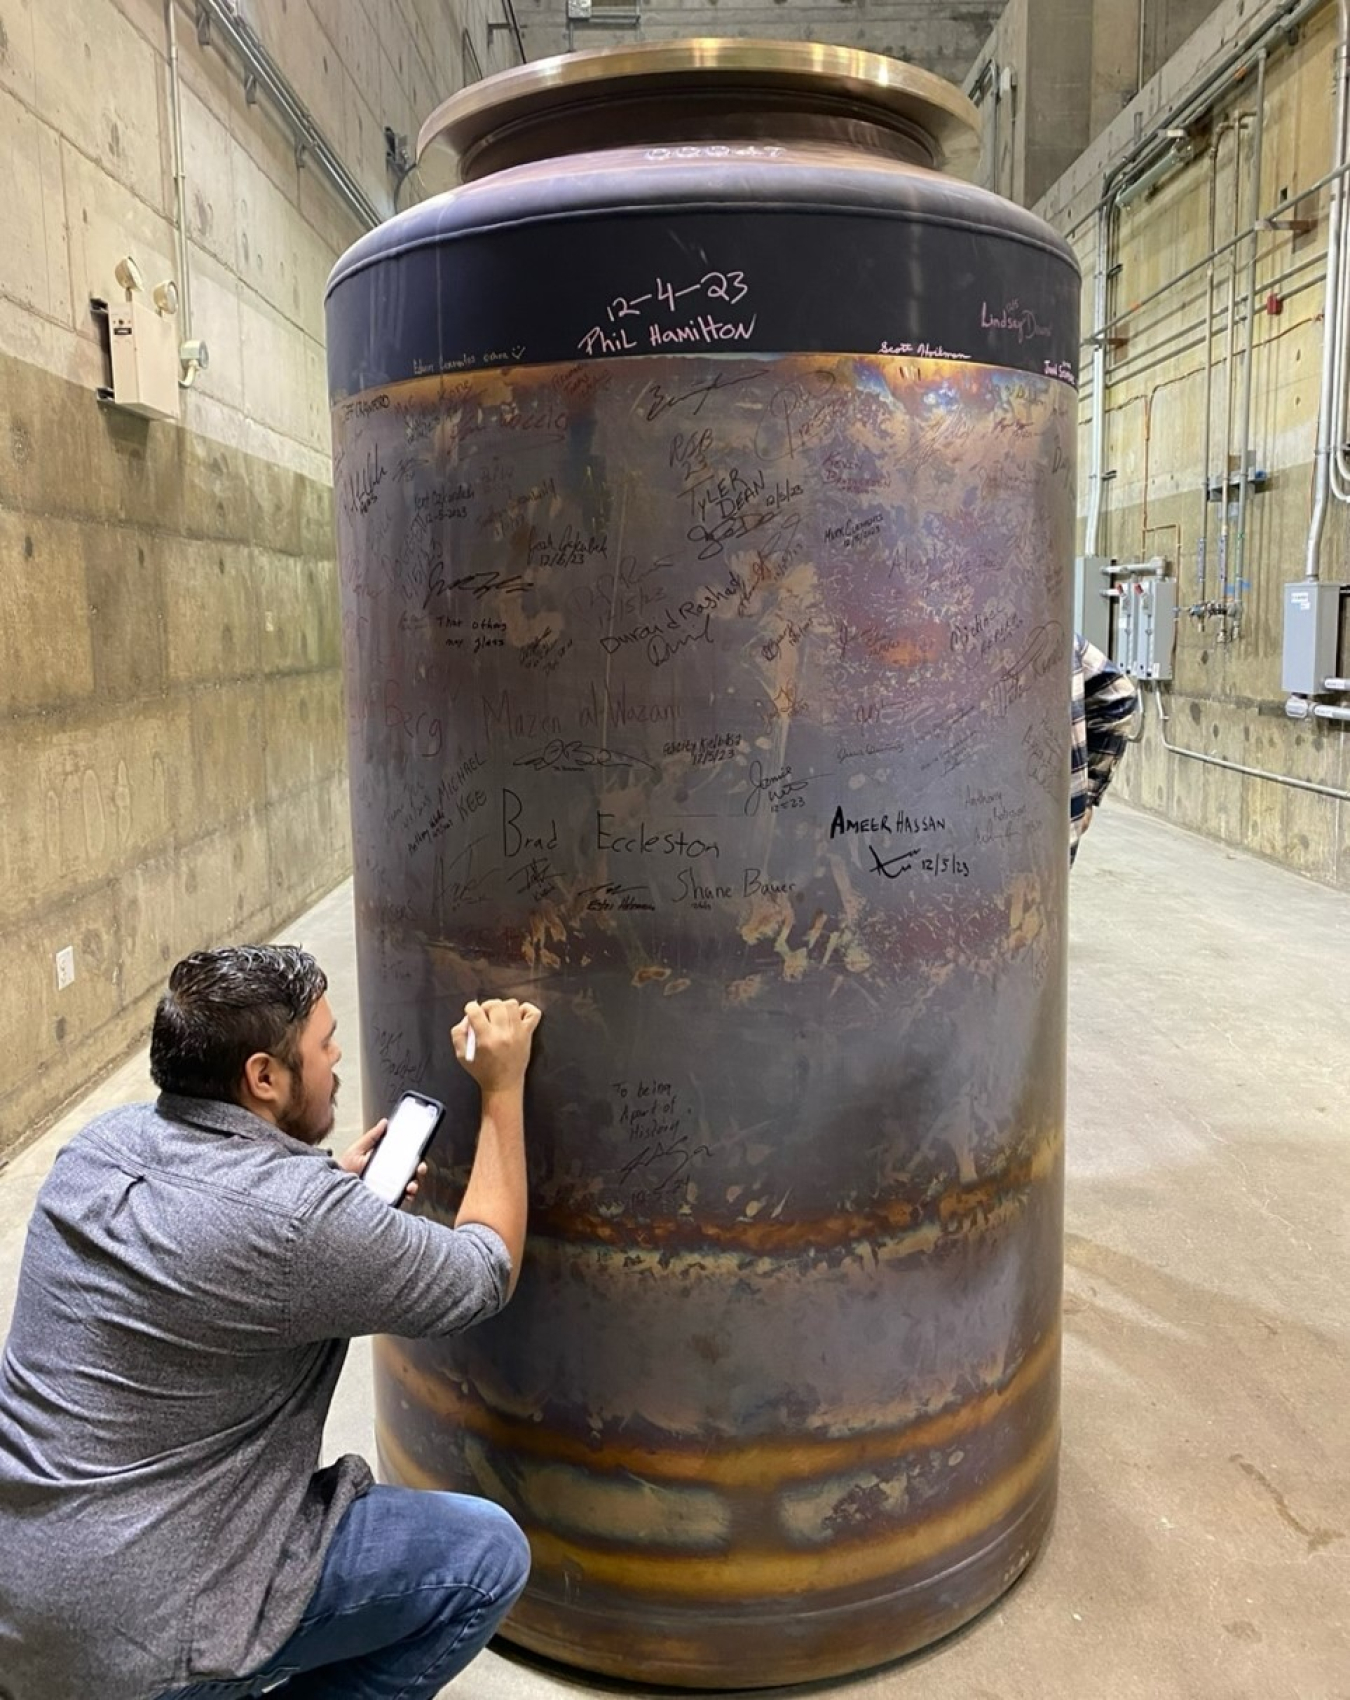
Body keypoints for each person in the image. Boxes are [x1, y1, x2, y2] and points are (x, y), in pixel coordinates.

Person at [0, 944, 542, 1700]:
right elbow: (482, 1271)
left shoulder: (96, 1151)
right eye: (323, 1043)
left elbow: (230, 1234)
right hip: (143, 1649)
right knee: (484, 1560)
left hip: (23, 1613)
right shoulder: (298, 1224)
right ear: (263, 1076)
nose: (338, 1053)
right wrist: (503, 1087)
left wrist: (325, 1197)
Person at [1071, 632, 1140, 864]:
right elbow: (1118, 696)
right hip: (1045, 822)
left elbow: (1118, 698)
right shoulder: (1056, 631)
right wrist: (1087, 791)